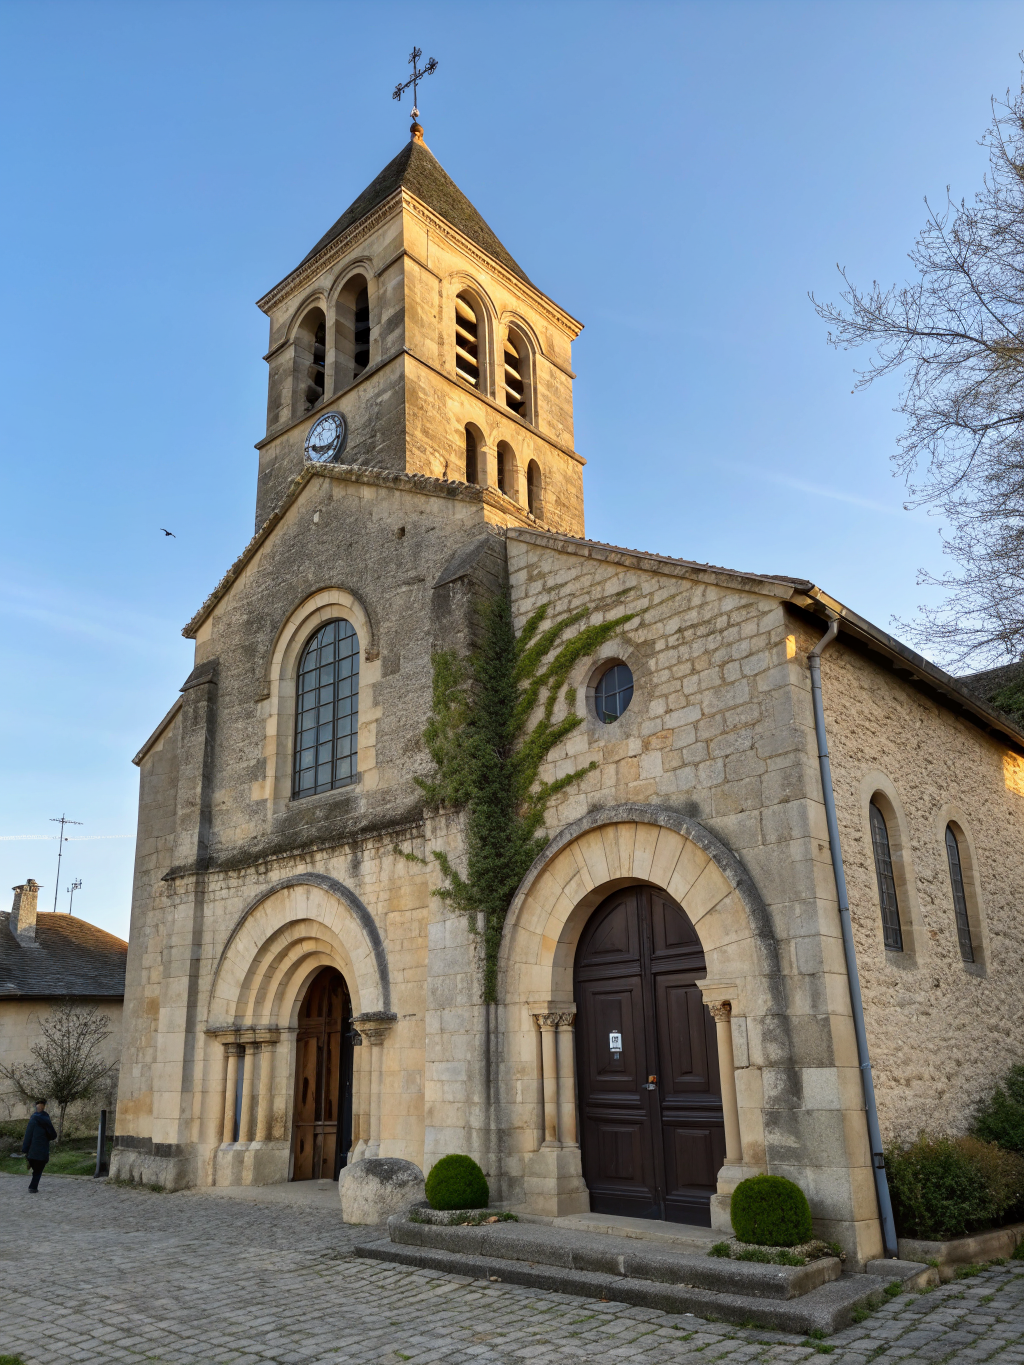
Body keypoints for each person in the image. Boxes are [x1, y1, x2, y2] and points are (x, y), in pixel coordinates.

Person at [22, 1099, 57, 1193]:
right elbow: (53, 1135)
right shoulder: (46, 1119)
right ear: (44, 1107)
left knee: (36, 1167)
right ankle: (33, 1187)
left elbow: (28, 1135)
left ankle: (33, 1186)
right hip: (42, 1150)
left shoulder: (33, 1119)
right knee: (38, 1169)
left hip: (32, 1151)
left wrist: (25, 1149)